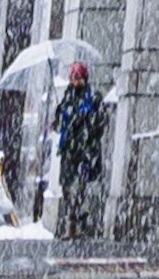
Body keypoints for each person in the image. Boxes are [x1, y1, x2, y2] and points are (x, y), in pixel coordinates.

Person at [48, 54, 112, 243]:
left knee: (81, 185)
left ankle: (76, 221)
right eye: (72, 77)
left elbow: (100, 121)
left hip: (86, 149)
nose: (75, 81)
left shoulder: (93, 97)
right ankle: (73, 218)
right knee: (67, 186)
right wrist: (59, 117)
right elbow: (59, 123)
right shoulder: (67, 97)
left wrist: (88, 126)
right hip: (69, 148)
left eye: (78, 77)